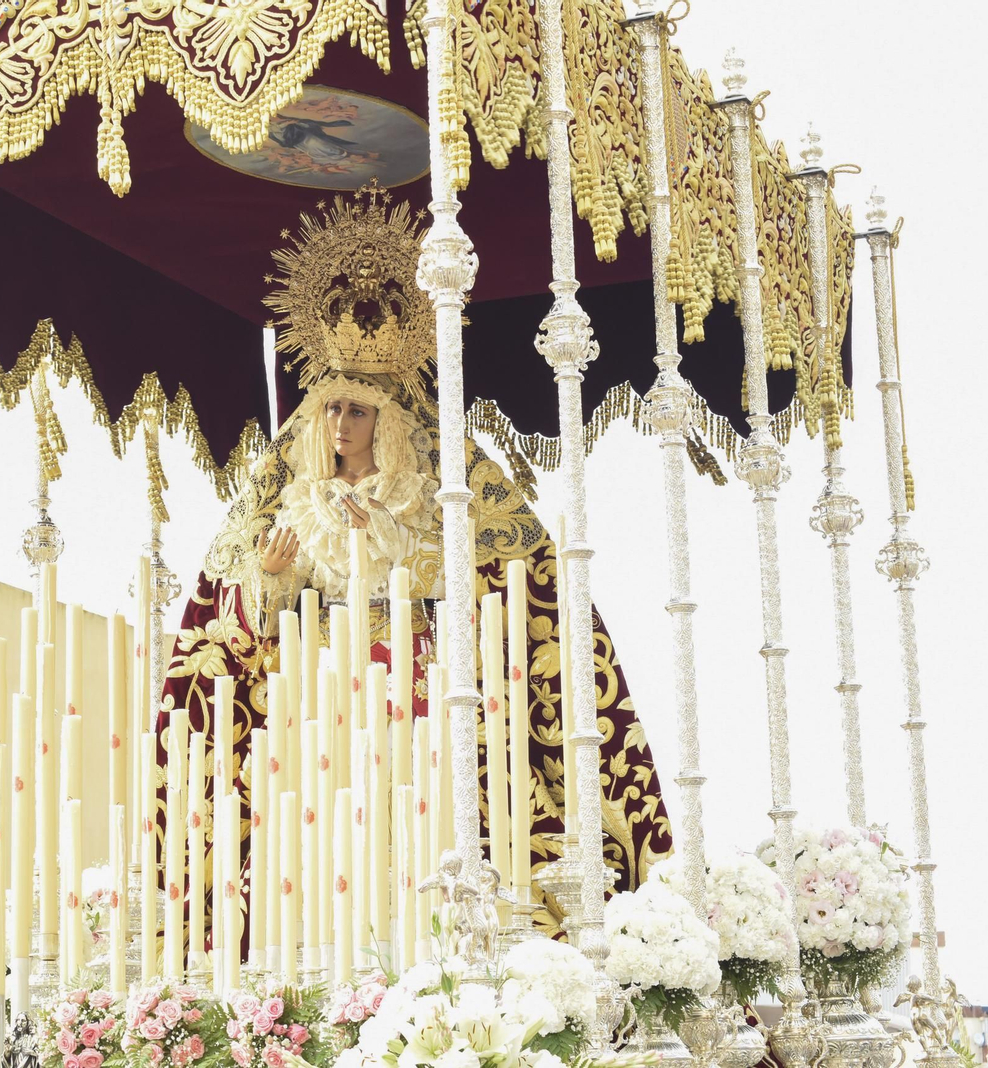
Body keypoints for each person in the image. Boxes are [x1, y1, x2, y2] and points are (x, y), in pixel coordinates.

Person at [156, 182, 671, 945]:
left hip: (415, 679)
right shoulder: (288, 501)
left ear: (388, 421)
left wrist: (396, 553)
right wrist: (270, 583)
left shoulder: (434, 496)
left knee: (430, 812)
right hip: (321, 688)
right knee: (319, 820)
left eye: (357, 410)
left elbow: (495, 588)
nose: (340, 424)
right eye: (331, 407)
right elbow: (240, 634)